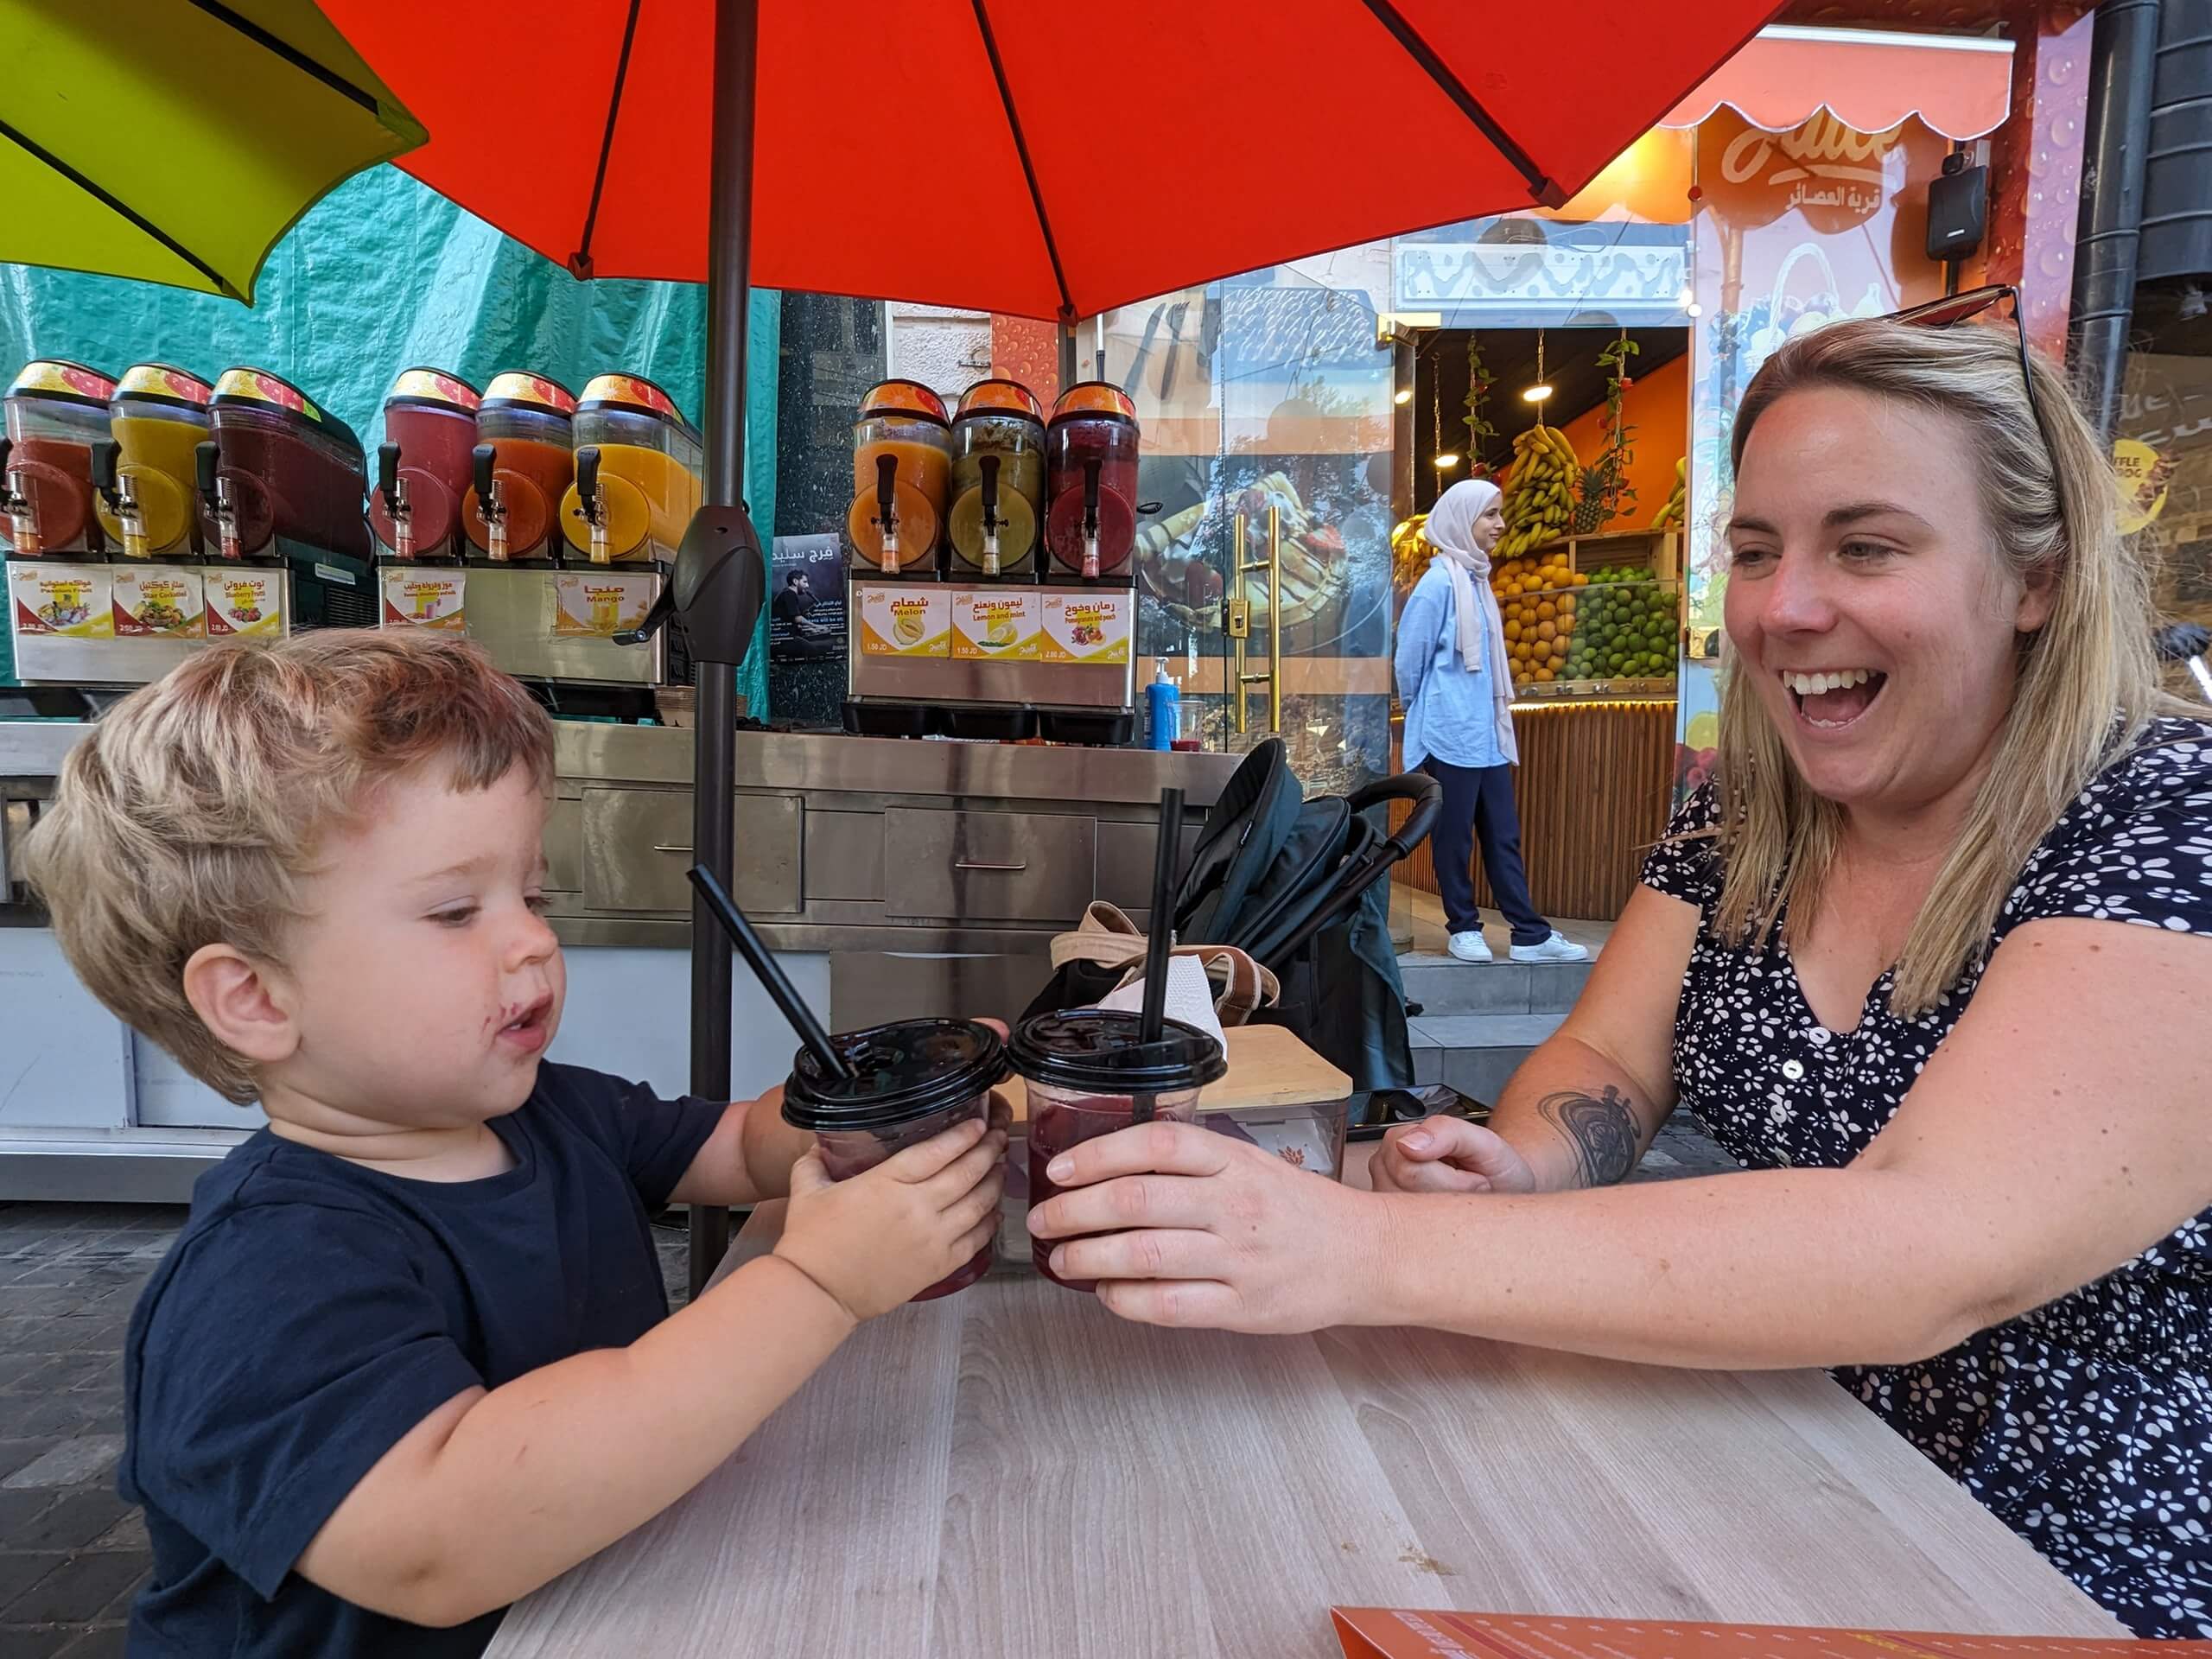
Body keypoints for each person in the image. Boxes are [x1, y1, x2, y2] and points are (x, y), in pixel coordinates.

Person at [1029, 315, 2212, 1637]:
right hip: (1761, 1468)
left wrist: (1367, 1248)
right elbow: (1607, 1060)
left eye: (1866, 547)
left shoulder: (2169, 822)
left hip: (2066, 1581)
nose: (1783, 608)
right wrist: (1523, 1167)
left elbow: (1937, 1246)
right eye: (1754, 551)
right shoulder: (1744, 815)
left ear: (2036, 577)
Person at [21, 632, 1007, 1657]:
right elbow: (441, 1544)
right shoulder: (261, 1276)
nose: (535, 938)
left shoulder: (553, 1113)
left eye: (531, 896)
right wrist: (817, 1284)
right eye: (456, 910)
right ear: (257, 1000)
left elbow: (736, 1147)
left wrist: (880, 1100)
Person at [1394, 477, 1587, 964]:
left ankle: (1529, 934)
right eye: (1490, 514)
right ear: (1463, 520)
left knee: (1503, 835)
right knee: (1453, 838)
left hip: (1485, 735)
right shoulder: (1438, 584)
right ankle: (1463, 927)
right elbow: (1408, 661)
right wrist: (1428, 711)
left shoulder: (1478, 580)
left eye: (1499, 513)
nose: (1500, 524)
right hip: (1449, 731)